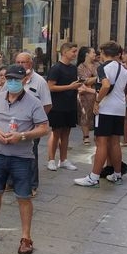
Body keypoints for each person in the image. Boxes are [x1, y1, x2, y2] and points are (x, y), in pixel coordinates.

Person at [0, 64, 49, 254]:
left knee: (23, 197)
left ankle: (26, 237)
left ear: (24, 80)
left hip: (22, 157)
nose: (12, 82)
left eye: (16, 79)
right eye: (9, 79)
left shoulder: (33, 102)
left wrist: (22, 136)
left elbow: (44, 128)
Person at [75, 42, 127, 187]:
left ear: (103, 53)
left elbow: (105, 85)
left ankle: (93, 177)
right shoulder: (122, 68)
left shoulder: (103, 68)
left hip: (105, 109)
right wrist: (124, 100)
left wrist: (97, 101)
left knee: (101, 142)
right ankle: (117, 174)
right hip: (119, 110)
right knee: (115, 142)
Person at [14, 51, 52, 196]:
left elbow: (47, 105)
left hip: (32, 126)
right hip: (14, 124)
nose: (20, 65)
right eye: (18, 62)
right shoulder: (14, 80)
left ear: (30, 63)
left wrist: (38, 122)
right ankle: (12, 182)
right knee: (12, 153)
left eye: (23, 62)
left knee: (30, 154)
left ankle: (32, 184)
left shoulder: (40, 81)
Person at [45, 42, 81, 172]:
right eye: (73, 51)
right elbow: (50, 87)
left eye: (76, 51)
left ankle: (63, 159)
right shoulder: (56, 68)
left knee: (66, 133)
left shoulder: (73, 68)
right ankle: (51, 160)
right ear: (65, 52)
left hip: (70, 104)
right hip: (57, 105)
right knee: (56, 133)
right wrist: (70, 87)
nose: (75, 54)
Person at [76, 46, 99, 145]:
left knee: (97, 114)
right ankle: (86, 136)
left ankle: (97, 134)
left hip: (97, 93)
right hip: (85, 95)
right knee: (85, 115)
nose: (95, 54)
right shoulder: (80, 67)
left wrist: (91, 79)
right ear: (87, 54)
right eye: (93, 52)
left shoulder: (98, 65)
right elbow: (84, 81)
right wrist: (97, 78)